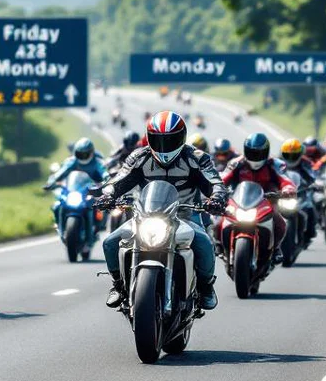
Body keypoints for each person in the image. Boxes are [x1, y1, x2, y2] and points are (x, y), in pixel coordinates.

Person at [94, 111, 227, 310]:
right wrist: (108, 194)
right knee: (110, 242)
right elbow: (119, 180)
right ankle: (119, 285)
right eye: (159, 140)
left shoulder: (197, 158)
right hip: (145, 217)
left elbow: (215, 182)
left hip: (185, 216)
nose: (164, 147)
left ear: (182, 137)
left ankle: (206, 287)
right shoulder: (139, 157)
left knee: (205, 243)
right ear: (149, 138)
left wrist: (217, 198)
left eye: (170, 140)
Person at [222, 133, 297, 262]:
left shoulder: (275, 164)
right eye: (252, 153)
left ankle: (275, 249)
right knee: (218, 221)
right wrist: (215, 190)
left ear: (266, 152)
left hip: (266, 202)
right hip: (238, 202)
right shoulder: (236, 163)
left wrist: (288, 189)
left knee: (280, 223)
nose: (255, 156)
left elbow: (285, 180)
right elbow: (223, 179)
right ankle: (219, 246)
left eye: (259, 153)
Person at [279, 138, 317, 241]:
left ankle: (309, 233)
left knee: (310, 207)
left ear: (300, 154)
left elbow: (313, 175)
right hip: (281, 194)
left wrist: (315, 184)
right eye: (288, 155)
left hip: (300, 192)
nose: (291, 158)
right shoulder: (278, 163)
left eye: (294, 155)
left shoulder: (306, 163)